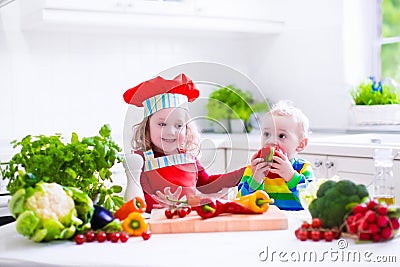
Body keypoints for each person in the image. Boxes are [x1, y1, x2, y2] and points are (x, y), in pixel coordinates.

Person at [123, 74, 245, 212]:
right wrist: (170, 204)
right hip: (158, 225)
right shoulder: (140, 161)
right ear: (147, 127)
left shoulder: (189, 158)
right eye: (162, 124)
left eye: (179, 125)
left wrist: (245, 172)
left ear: (187, 128)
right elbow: (139, 200)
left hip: (188, 220)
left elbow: (207, 184)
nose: (170, 132)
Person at [237, 100, 314, 210]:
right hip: (265, 223)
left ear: (301, 144)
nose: (271, 141)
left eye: (282, 136)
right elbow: (241, 202)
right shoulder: (253, 169)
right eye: (267, 134)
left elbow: (312, 201)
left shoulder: (302, 168)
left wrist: (291, 176)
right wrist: (256, 180)